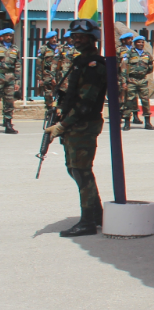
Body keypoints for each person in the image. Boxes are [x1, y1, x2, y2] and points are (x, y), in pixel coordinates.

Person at [44, 19, 107, 236]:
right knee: (75, 169)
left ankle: (88, 221)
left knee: (81, 171)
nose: (76, 40)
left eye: (81, 37)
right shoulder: (81, 61)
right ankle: (96, 215)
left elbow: (86, 103)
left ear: (92, 38)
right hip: (76, 124)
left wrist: (62, 126)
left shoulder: (94, 65)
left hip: (84, 125)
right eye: (74, 36)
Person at [121, 34, 154, 130]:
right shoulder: (129, 54)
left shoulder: (147, 54)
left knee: (145, 101)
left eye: (142, 42)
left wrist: (142, 73)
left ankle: (147, 123)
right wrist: (124, 82)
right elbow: (124, 68)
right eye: (139, 42)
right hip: (131, 80)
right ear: (135, 43)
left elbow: (150, 67)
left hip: (142, 80)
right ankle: (127, 123)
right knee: (129, 101)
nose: (141, 44)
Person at [1, 27, 21, 133]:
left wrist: (17, 81)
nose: (9, 37)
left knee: (9, 101)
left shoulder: (15, 49)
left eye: (10, 36)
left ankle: (8, 124)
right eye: (7, 35)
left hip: (10, 78)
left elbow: (17, 66)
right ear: (2, 37)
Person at [36, 30, 60, 120]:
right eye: (52, 38)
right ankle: (50, 112)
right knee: (48, 94)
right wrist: (40, 78)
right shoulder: (44, 49)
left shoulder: (60, 48)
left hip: (59, 75)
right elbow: (39, 64)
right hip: (47, 75)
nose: (54, 39)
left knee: (59, 93)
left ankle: (58, 112)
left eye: (55, 38)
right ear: (49, 39)